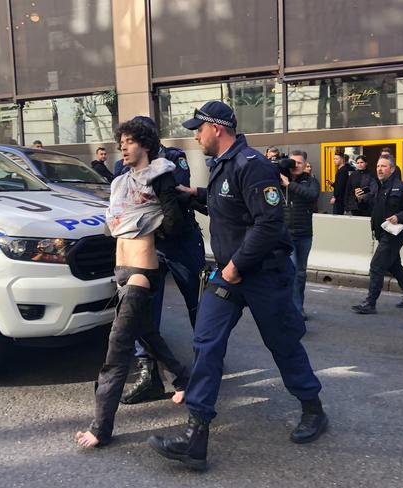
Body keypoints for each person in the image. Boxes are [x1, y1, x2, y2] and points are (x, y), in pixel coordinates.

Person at [148, 101, 326, 471]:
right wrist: (192, 194)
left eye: (199, 127)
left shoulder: (252, 165)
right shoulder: (222, 167)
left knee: (283, 344)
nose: (195, 134)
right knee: (206, 342)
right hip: (230, 274)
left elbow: (268, 225)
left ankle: (313, 408)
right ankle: (194, 440)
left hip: (262, 275)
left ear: (218, 128)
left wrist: (235, 267)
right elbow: (227, 207)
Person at [75, 120, 190, 449]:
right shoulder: (121, 181)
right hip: (121, 269)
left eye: (129, 142)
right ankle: (184, 379)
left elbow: (175, 223)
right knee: (148, 335)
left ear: (146, 145)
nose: (123, 147)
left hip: (141, 270)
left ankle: (101, 428)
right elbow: (114, 220)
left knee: (117, 348)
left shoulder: (160, 176)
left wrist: (154, 227)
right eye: (121, 142)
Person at [120, 116, 207, 405]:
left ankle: (207, 362)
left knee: (198, 306)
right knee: (143, 313)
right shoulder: (125, 168)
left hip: (181, 243)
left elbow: (174, 195)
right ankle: (149, 376)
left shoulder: (172, 159)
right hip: (149, 247)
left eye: (133, 139)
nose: (126, 146)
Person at [352, 156, 403, 315]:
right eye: (378, 166)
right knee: (394, 265)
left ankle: (370, 303)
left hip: (394, 234)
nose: (379, 169)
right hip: (381, 233)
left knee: (376, 266)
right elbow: (370, 205)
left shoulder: (400, 187)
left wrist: (399, 217)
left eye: (383, 166)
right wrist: (361, 199)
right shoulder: (378, 187)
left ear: (392, 169)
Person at [280, 150, 320, 319]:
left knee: (301, 273)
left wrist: (289, 184)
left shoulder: (311, 182)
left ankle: (298, 306)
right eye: (292, 162)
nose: (295, 165)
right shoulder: (277, 180)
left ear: (305, 165)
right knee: (293, 271)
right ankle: (293, 310)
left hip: (304, 235)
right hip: (285, 235)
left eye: (299, 163)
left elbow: (312, 195)